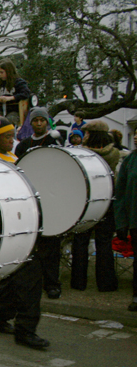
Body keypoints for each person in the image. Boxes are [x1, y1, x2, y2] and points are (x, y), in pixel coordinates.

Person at [14, 106, 63, 299]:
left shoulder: (54, 140)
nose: (39, 123)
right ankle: (31, 284)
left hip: (51, 198)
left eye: (42, 120)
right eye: (36, 120)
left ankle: (52, 284)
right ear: (31, 123)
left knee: (51, 245)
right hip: (30, 200)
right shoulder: (23, 146)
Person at [71, 121, 119, 293]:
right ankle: (106, 283)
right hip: (107, 201)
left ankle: (78, 281)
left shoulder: (83, 154)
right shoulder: (114, 154)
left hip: (85, 201)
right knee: (104, 243)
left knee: (80, 241)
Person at [115, 130, 137, 311]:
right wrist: (121, 222)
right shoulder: (129, 161)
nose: (136, 137)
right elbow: (120, 193)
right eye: (135, 133)